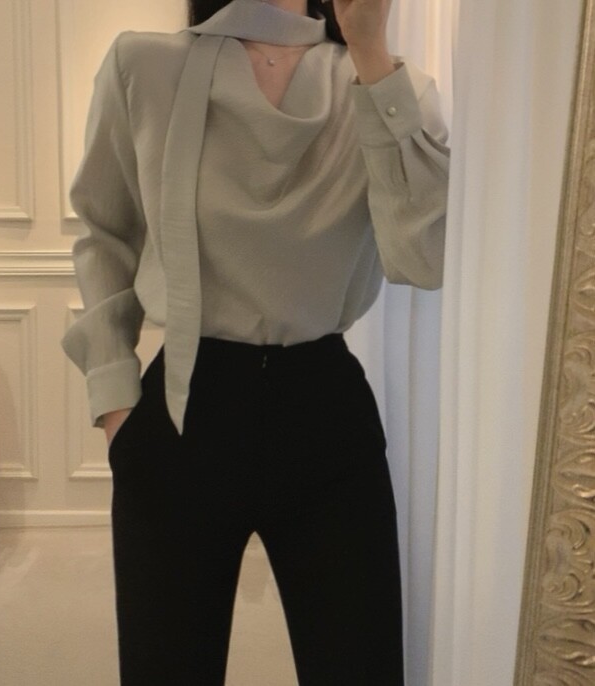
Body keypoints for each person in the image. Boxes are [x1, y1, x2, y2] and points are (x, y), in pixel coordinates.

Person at [60, 0, 449, 683]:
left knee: (359, 665)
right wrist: (116, 401)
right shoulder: (144, 65)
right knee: (166, 668)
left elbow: (423, 256)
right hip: (186, 402)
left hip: (324, 409)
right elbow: (105, 233)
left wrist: (369, 50)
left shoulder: (383, 85)